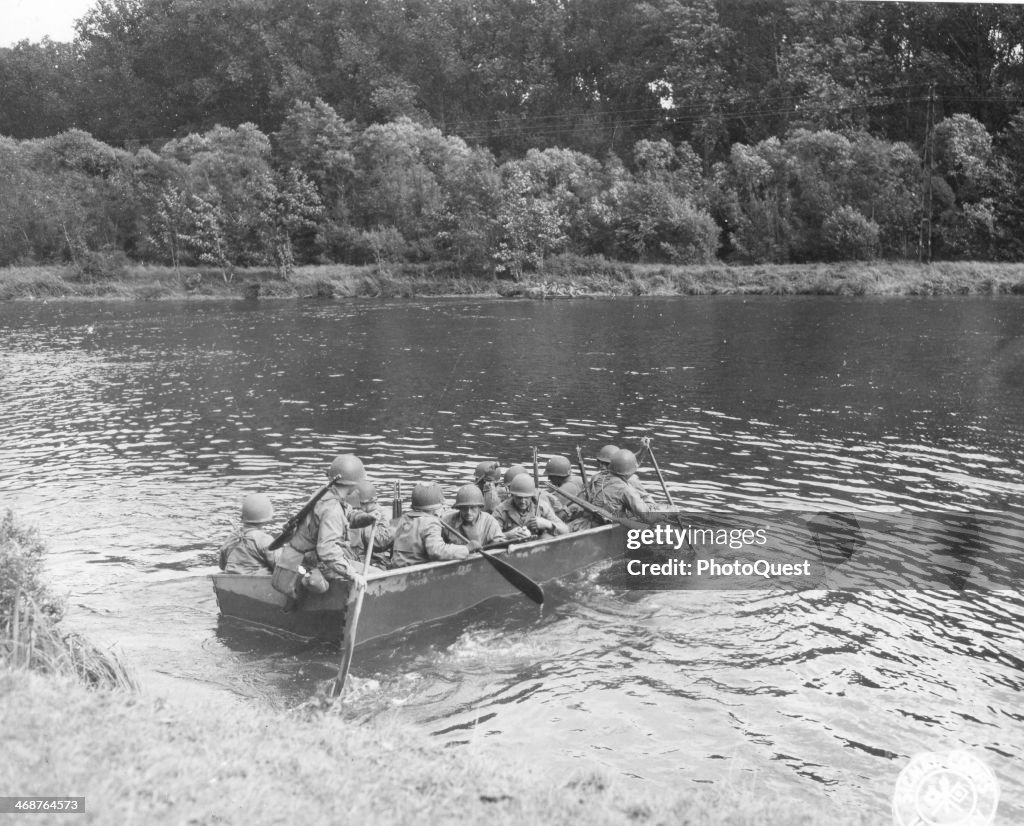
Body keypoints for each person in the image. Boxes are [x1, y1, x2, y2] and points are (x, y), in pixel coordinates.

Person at [276, 454, 377, 594]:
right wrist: (353, 575)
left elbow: (345, 514)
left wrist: (366, 518)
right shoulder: (332, 509)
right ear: (353, 483)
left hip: (302, 560)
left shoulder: (324, 494)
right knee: (376, 575)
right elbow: (328, 551)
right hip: (314, 564)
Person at [390, 481, 480, 568]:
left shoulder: (404, 519)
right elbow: (437, 551)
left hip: (397, 567)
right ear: (435, 509)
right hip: (415, 573)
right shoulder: (431, 523)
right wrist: (467, 548)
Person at [584, 448, 649, 525]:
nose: (602, 467)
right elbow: (646, 515)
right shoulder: (626, 488)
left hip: (594, 519)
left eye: (605, 464)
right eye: (601, 463)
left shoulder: (597, 477)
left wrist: (642, 450)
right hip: (607, 524)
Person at [494, 474, 569, 538]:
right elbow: (491, 538)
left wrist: (547, 524)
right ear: (512, 495)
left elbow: (565, 530)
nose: (523, 501)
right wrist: (508, 535)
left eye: (526, 497)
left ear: (531, 496)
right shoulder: (501, 510)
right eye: (519, 498)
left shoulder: (541, 507)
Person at [218, 493, 276, 574]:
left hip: (230, 583)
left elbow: (222, 565)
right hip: (257, 583)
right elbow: (279, 566)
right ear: (266, 517)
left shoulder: (232, 537)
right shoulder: (265, 539)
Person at [442, 484, 518, 545]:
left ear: (479, 508)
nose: (468, 512)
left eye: (472, 508)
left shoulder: (489, 522)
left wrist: (506, 544)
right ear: (459, 508)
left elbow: (499, 541)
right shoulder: (447, 522)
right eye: (465, 508)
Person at [348, 480, 396, 568]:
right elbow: (379, 543)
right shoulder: (357, 515)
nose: (361, 507)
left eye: (363, 504)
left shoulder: (382, 514)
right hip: (362, 560)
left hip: (360, 558)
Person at [544, 455, 585, 523]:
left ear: (558, 476)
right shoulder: (576, 479)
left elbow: (549, 507)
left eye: (550, 476)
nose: (548, 478)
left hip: (574, 520)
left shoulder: (566, 489)